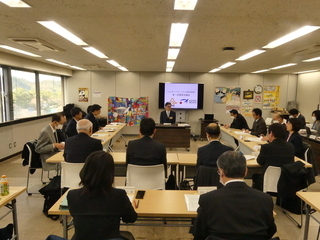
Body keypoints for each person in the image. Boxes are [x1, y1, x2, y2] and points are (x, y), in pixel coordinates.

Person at [192, 151, 277, 240]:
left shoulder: (208, 199)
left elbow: (199, 233)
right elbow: (270, 230)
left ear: (221, 172)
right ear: (246, 172)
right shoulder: (265, 199)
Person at [67, 151, 137, 240]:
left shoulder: (72, 195)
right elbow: (130, 218)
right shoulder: (119, 195)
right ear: (110, 173)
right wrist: (128, 206)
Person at [253, 123, 295, 190]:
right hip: (286, 181)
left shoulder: (266, 147)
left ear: (271, 133)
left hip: (268, 180)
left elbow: (260, 161)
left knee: (255, 176)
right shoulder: (291, 147)